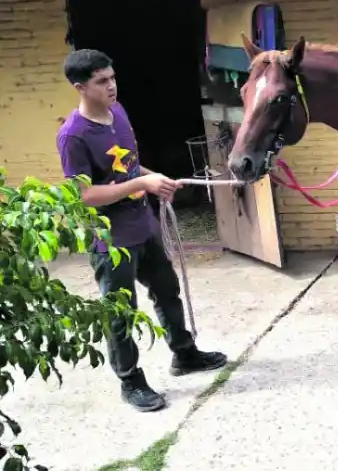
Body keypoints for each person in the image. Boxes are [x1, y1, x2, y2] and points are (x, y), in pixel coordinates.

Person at [55, 48, 228, 412]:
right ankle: (130, 381)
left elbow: (129, 166)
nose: (112, 86)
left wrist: (153, 178)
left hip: (144, 225)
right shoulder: (73, 136)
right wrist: (141, 186)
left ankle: (185, 354)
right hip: (110, 239)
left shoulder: (118, 112)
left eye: (112, 77)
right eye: (102, 82)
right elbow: (84, 195)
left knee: (167, 291)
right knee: (121, 312)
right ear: (80, 87)